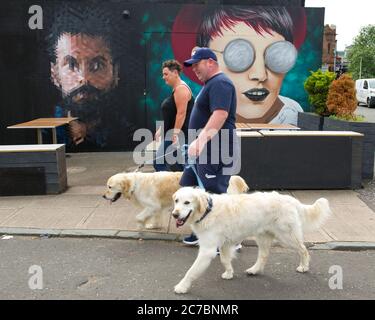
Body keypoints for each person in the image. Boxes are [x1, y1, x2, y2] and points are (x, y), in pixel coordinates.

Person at [172, 6, 306, 125]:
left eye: (277, 56)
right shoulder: (203, 106)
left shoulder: (293, 113)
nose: (260, 74)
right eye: (238, 56)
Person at [47, 4, 137, 151]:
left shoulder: (129, 136)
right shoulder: (44, 136)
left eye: (96, 65)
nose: (84, 78)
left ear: (115, 72)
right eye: (71, 65)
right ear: (54, 73)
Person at [180, 47, 239, 246]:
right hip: (203, 150)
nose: (194, 68)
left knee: (214, 195)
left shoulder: (220, 83)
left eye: (197, 64)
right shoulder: (210, 84)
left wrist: (201, 140)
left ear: (210, 62)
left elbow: (220, 114)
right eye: (192, 65)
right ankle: (201, 232)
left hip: (215, 148)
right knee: (190, 188)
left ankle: (229, 240)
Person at [153, 60, 194, 171]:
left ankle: (170, 186)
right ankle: (182, 185)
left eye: (166, 74)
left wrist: (175, 135)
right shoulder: (177, 89)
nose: (163, 77)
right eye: (163, 74)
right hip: (173, 134)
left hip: (179, 134)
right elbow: (172, 114)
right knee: (179, 166)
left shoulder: (181, 89)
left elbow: (181, 114)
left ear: (175, 73)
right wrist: (161, 129)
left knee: (159, 162)